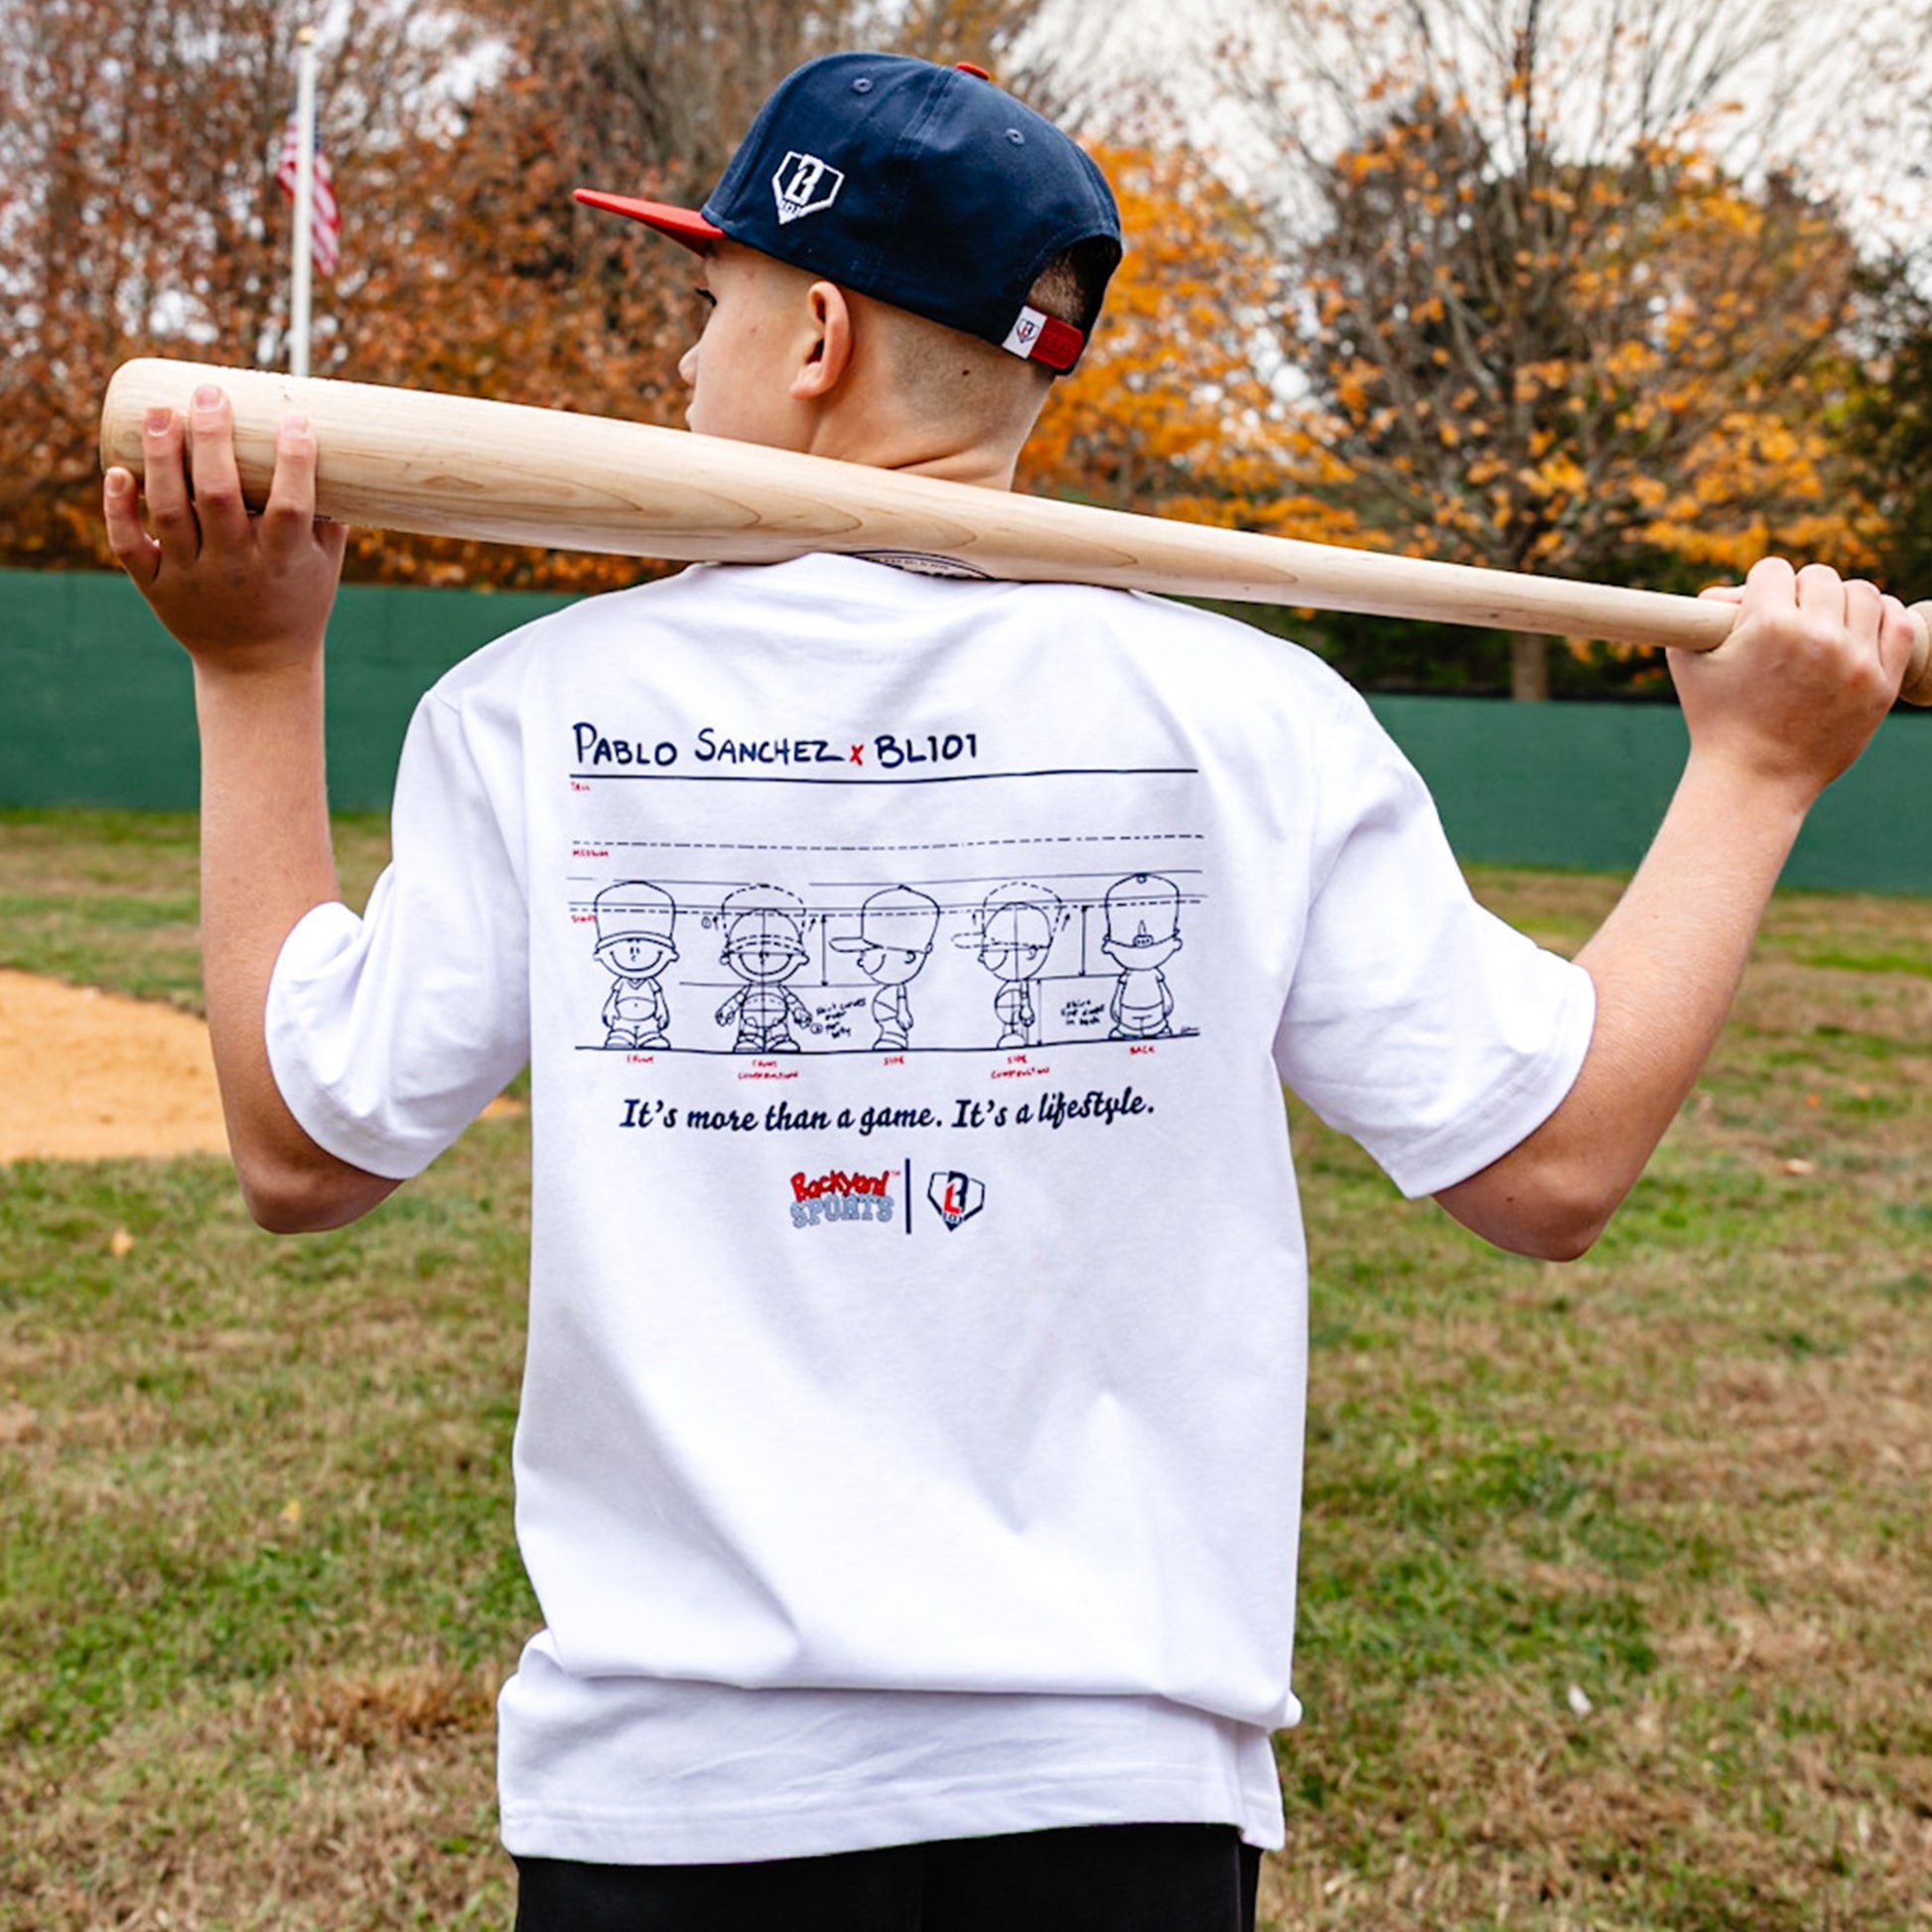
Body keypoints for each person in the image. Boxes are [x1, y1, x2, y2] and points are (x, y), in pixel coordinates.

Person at [102, 50, 1915, 1932]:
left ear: (813, 331)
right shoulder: (1252, 717)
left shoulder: (541, 709)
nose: (673, 367)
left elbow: (304, 1146)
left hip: (664, 1811)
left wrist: (251, 673)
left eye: (704, 305)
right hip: (1111, 1803)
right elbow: (1548, 1165)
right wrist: (1754, 773)